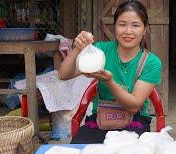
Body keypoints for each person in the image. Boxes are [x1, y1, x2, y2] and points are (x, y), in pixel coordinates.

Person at [58, 0, 162, 144]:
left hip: (134, 122)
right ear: (115, 27)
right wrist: (78, 48)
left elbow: (133, 106)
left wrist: (109, 82)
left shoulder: (151, 62)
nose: (128, 31)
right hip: (100, 121)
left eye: (135, 25)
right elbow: (64, 74)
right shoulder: (101, 51)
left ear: (144, 30)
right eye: (122, 24)